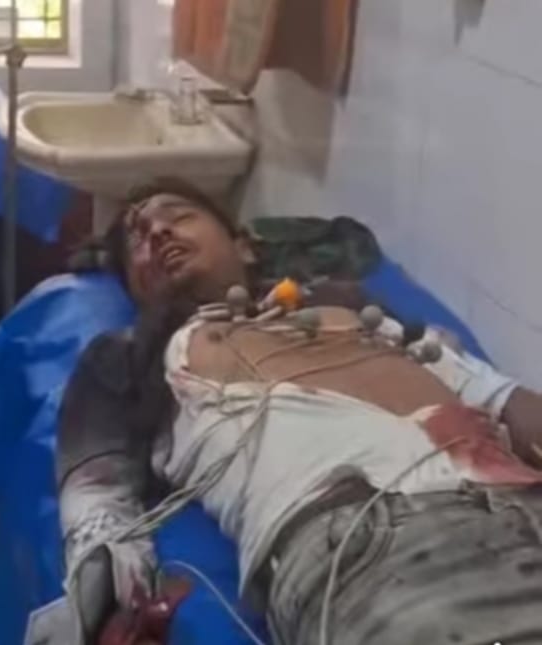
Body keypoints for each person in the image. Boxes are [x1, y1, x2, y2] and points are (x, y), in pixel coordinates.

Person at [57, 178, 542, 645]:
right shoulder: (127, 356)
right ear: (135, 288)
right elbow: (97, 502)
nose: (158, 231)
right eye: (137, 239)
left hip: (520, 491)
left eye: (178, 216)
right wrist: (113, 606)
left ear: (245, 246)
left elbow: (491, 391)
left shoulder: (345, 304)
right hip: (383, 550)